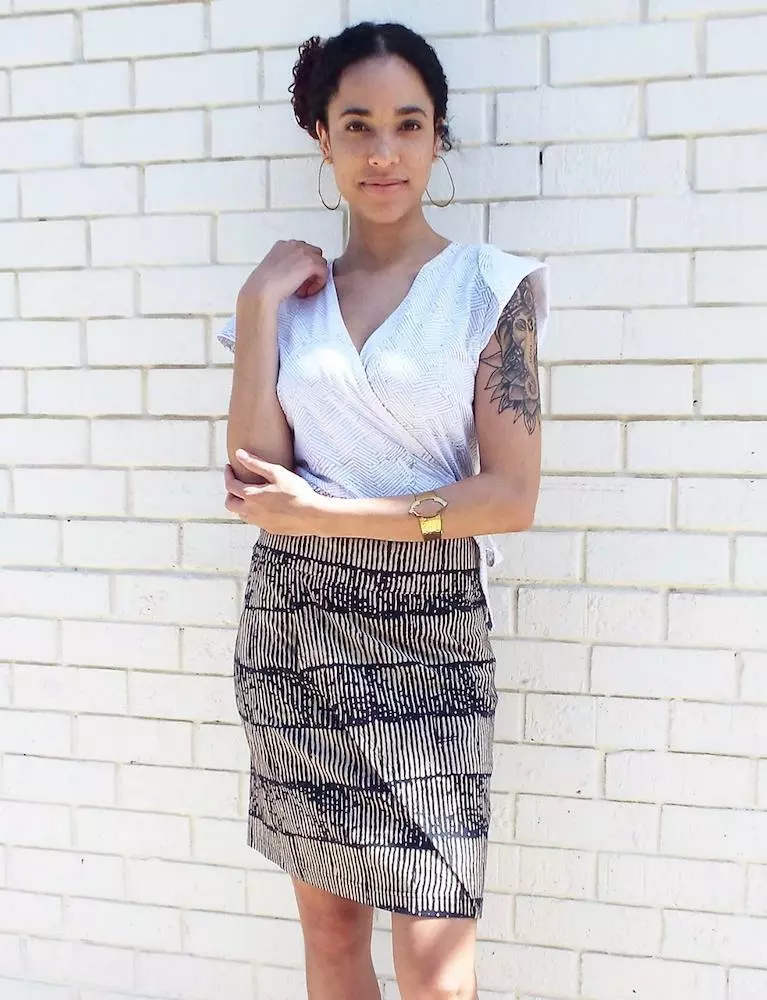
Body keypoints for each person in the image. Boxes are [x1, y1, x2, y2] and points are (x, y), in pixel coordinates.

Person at [217, 20, 549, 1000]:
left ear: (437, 136)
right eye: (357, 124)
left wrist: (329, 514)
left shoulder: (486, 289)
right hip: (296, 629)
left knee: (435, 966)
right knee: (329, 933)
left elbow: (510, 496)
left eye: (407, 124)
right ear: (321, 136)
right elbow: (256, 480)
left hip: (431, 636)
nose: (382, 151)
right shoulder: (293, 298)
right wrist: (256, 307)